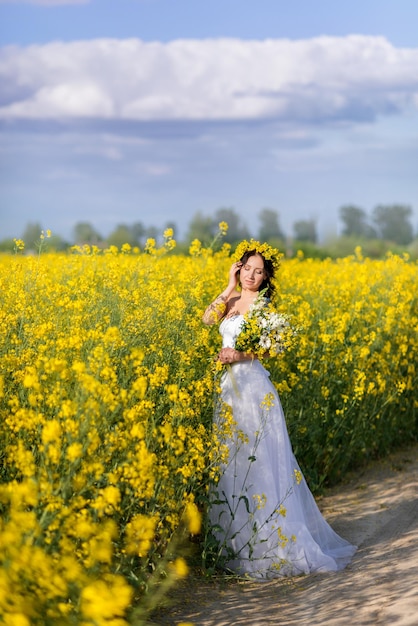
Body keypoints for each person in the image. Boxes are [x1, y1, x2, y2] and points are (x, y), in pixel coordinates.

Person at [202, 240, 356, 579]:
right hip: (228, 390)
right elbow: (206, 319)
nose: (251, 276)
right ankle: (234, 543)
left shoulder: (265, 307)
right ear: (238, 267)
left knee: (262, 462)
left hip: (254, 388)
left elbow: (275, 348)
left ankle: (269, 544)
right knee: (233, 459)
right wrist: (227, 285)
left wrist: (239, 355)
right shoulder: (229, 298)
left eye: (259, 272)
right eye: (247, 269)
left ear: (266, 277)